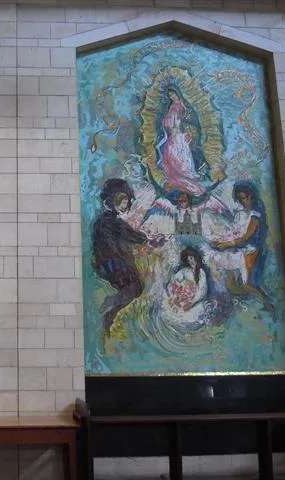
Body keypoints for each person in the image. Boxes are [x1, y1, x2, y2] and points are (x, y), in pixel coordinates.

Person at [92, 179, 165, 333]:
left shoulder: (110, 219)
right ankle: (110, 311)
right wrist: (145, 242)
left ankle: (111, 308)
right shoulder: (107, 221)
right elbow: (125, 236)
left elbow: (130, 233)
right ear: (112, 201)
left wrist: (148, 239)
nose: (124, 206)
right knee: (135, 287)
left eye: (126, 202)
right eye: (121, 202)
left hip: (113, 262)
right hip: (111, 263)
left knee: (135, 288)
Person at [212, 181, 273, 311]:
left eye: (244, 198)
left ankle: (267, 303)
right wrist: (222, 240)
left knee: (247, 284)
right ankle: (250, 300)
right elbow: (234, 231)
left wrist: (227, 244)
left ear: (251, 196)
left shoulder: (256, 214)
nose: (242, 202)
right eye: (239, 199)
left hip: (250, 250)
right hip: (238, 248)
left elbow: (246, 237)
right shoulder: (242, 212)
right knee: (230, 284)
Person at [156, 88, 207, 197]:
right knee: (171, 154)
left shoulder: (182, 105)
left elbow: (183, 119)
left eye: (173, 94)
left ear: (177, 93)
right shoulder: (172, 106)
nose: (172, 97)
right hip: (173, 135)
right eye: (170, 96)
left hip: (179, 135)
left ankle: (186, 176)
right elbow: (168, 122)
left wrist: (178, 125)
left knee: (180, 156)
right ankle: (179, 177)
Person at [162, 247, 209, 329]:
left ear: (195, 257)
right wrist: (174, 291)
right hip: (183, 297)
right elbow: (174, 280)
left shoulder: (201, 272)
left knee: (190, 318)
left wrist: (191, 303)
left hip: (195, 300)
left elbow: (202, 290)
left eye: (191, 258)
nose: (190, 261)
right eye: (188, 260)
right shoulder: (185, 270)